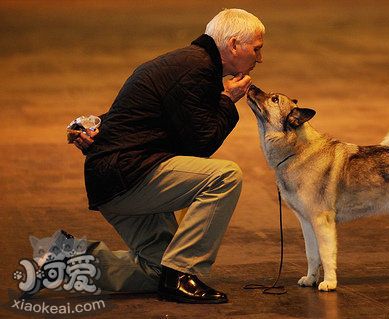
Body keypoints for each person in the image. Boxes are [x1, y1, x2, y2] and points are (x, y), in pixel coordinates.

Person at [71, 8, 264, 304]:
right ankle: (181, 275)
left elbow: (137, 115)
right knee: (225, 177)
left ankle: (69, 261)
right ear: (234, 45)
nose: (259, 59)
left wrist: (89, 127)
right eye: (256, 49)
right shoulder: (195, 69)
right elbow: (201, 144)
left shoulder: (187, 63)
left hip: (118, 177)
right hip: (129, 176)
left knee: (157, 271)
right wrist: (227, 102)